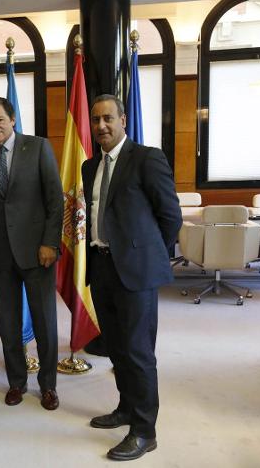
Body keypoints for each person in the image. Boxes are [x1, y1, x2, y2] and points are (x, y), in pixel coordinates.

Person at [82, 94, 181, 461]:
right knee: (117, 347)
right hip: (102, 266)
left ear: (123, 119)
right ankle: (125, 408)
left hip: (135, 271)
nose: (101, 126)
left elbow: (170, 216)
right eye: (95, 120)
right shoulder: (90, 167)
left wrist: (146, 253)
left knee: (139, 352)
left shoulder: (147, 158)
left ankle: (144, 430)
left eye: (108, 118)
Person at [0, 96, 63, 410]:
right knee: (8, 324)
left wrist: (50, 242)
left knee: (45, 323)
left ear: (12, 119)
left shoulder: (37, 148)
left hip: (39, 253)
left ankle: (48, 385)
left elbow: (55, 200)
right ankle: (17, 383)